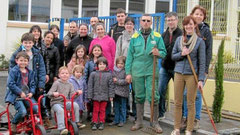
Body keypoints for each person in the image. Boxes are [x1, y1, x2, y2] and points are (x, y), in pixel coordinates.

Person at [125, 14, 167, 133]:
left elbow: (164, 53)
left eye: (148, 20)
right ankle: (139, 122)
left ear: (151, 22)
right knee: (139, 96)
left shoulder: (157, 36)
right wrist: (128, 73)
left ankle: (154, 122)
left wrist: (158, 52)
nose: (146, 22)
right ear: (140, 22)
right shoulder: (134, 37)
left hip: (151, 70)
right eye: (144, 20)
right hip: (137, 70)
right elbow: (129, 57)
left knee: (153, 95)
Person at [171, 16, 206, 135]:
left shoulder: (200, 41)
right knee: (177, 102)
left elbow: (202, 62)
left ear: (195, 25)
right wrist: (182, 53)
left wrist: (201, 79)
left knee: (191, 102)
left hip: (192, 74)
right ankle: (176, 128)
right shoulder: (179, 40)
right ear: (184, 26)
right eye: (186, 25)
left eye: (191, 24)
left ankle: (189, 129)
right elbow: (173, 56)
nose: (188, 26)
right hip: (179, 73)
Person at [182, 5, 213, 130]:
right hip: (187, 68)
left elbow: (208, 52)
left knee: (197, 95)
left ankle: (196, 119)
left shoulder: (206, 32)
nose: (198, 16)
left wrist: (204, 70)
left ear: (204, 17)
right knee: (186, 94)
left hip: (200, 68)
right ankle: (185, 118)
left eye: (201, 14)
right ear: (192, 15)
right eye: (196, 14)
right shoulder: (188, 29)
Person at [9, 33, 47, 118]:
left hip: (32, 81)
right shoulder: (17, 53)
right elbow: (11, 68)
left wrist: (41, 84)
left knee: (38, 103)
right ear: (22, 43)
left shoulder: (37, 54)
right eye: (25, 42)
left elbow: (42, 70)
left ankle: (35, 120)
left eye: (30, 43)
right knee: (22, 108)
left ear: (33, 43)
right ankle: (21, 119)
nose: (28, 45)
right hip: (20, 83)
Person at [5, 52, 38, 133]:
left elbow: (33, 84)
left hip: (27, 95)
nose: (23, 62)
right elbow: (10, 84)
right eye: (21, 60)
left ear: (28, 62)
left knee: (35, 108)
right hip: (16, 96)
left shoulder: (30, 72)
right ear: (17, 61)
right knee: (22, 111)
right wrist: (20, 92)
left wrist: (32, 92)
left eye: (25, 60)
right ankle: (14, 123)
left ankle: (29, 121)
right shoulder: (14, 71)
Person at [158, 12, 182, 120]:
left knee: (179, 93)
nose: (170, 22)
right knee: (160, 90)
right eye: (168, 20)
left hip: (177, 68)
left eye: (172, 20)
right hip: (164, 67)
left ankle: (181, 116)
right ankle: (161, 113)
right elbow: (161, 49)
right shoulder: (163, 35)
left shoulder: (182, 34)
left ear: (177, 20)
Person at [47, 66, 82, 135]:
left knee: (75, 105)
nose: (65, 75)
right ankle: (61, 128)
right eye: (62, 73)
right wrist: (54, 94)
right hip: (56, 103)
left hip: (65, 102)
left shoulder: (70, 84)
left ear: (69, 75)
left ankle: (76, 122)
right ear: (59, 75)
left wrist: (77, 93)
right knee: (60, 110)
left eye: (66, 73)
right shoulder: (56, 83)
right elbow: (49, 94)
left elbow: (72, 96)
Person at [115, 16, 136, 119]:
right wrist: (118, 66)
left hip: (135, 67)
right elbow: (118, 53)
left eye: (131, 24)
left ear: (134, 25)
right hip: (123, 67)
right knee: (124, 89)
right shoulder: (121, 37)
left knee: (135, 90)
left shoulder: (137, 36)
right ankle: (126, 111)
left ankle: (135, 113)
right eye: (127, 24)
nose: (129, 26)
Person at [88, 57, 115, 130]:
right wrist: (89, 95)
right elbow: (90, 85)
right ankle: (94, 122)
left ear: (106, 65)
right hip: (95, 96)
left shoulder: (109, 75)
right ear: (97, 65)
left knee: (102, 110)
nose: (102, 65)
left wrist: (111, 95)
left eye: (104, 64)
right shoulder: (93, 74)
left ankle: (101, 122)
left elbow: (111, 86)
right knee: (95, 110)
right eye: (100, 64)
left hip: (104, 96)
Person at [84, 44, 103, 120]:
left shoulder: (103, 61)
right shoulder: (89, 62)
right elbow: (85, 72)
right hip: (90, 82)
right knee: (90, 98)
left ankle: (98, 113)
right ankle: (89, 112)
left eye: (98, 50)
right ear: (92, 51)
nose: (97, 52)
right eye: (95, 50)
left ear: (101, 51)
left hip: (100, 83)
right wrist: (85, 82)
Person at [43, 31, 60, 110]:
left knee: (49, 92)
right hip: (41, 72)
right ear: (44, 37)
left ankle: (48, 109)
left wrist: (56, 75)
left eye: (51, 38)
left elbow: (57, 62)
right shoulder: (39, 47)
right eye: (48, 37)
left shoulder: (55, 49)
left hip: (51, 73)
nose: (49, 39)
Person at [109, 56, 129, 127]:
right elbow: (111, 79)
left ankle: (122, 120)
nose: (120, 65)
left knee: (122, 107)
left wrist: (117, 81)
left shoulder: (126, 71)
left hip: (123, 92)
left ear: (124, 64)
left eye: (122, 63)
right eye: (118, 63)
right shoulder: (114, 71)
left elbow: (127, 81)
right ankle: (116, 120)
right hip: (115, 92)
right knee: (116, 107)